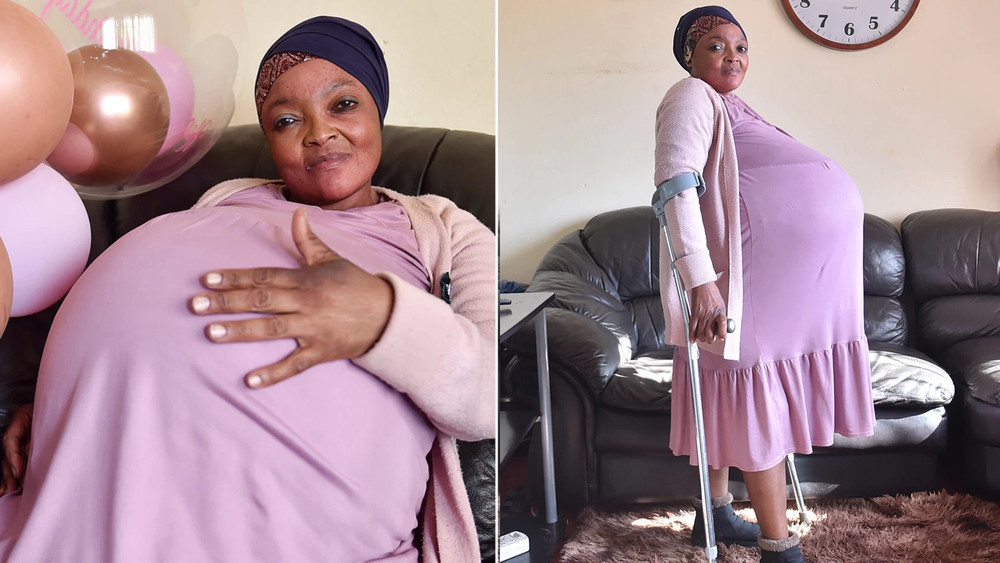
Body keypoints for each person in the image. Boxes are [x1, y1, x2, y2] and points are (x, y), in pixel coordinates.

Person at [0, 16, 494, 562]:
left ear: (378, 108)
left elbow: (488, 396)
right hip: (96, 473)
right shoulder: (227, 197)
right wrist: (63, 410)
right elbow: (151, 331)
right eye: (286, 120)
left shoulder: (447, 228)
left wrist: (383, 317)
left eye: (343, 104)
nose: (318, 132)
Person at [655, 6, 875, 563]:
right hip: (746, 276)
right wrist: (701, 281)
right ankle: (779, 547)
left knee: (729, 385)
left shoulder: (729, 103)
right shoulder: (689, 95)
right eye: (716, 46)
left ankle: (716, 512)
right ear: (689, 56)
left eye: (741, 46)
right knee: (750, 391)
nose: (733, 56)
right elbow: (675, 189)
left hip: (782, 282)